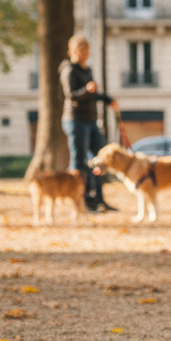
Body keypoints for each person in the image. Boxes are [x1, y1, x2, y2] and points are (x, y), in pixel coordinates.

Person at [59, 35, 120, 213]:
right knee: (79, 162)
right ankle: (81, 200)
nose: (84, 53)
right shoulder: (69, 69)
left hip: (91, 121)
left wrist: (109, 100)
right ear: (72, 51)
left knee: (99, 160)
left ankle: (99, 200)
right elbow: (71, 95)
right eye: (80, 49)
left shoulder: (88, 70)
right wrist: (87, 90)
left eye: (86, 50)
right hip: (75, 121)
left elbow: (94, 94)